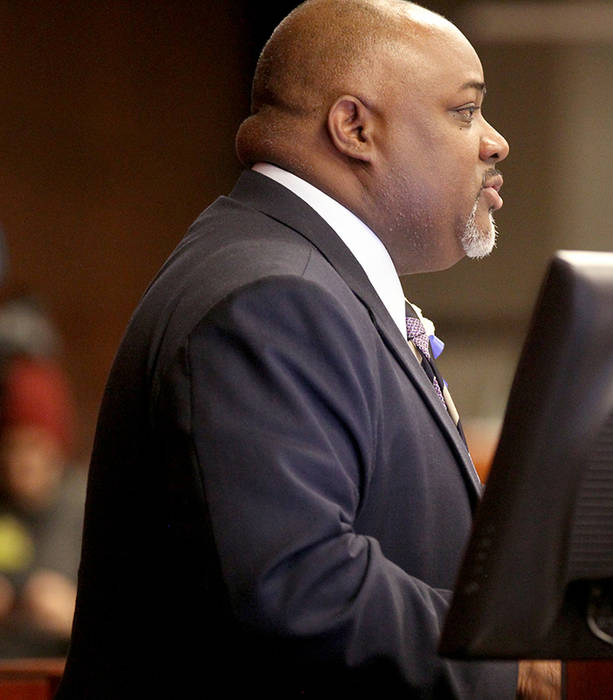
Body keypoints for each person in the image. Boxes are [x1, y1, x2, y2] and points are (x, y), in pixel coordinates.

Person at [57, 1, 556, 696]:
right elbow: (298, 585)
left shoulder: (294, 275)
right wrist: (511, 663)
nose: (495, 141)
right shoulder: (272, 299)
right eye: (464, 111)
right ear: (356, 127)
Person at [0, 356, 84, 657]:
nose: (22, 461)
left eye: (33, 446)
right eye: (12, 446)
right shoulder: (4, 507)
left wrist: (73, 612)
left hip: (67, 668)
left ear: (57, 446)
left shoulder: (85, 504)